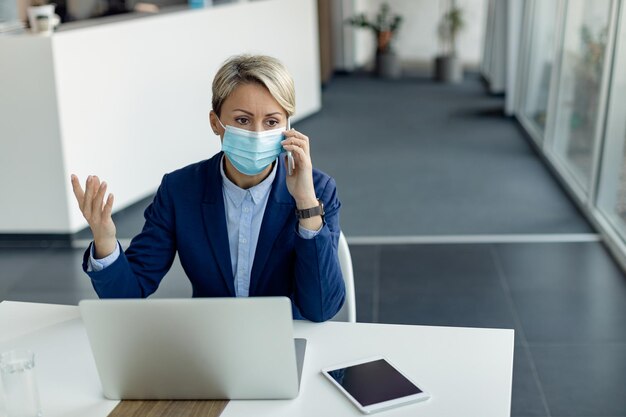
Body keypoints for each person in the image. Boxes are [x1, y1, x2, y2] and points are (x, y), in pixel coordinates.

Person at [70, 55, 345, 322]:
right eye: (242, 120)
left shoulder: (318, 190)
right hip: (210, 343)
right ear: (216, 123)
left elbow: (320, 309)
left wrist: (306, 204)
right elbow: (127, 297)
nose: (257, 133)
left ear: (288, 126)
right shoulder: (180, 190)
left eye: (272, 122)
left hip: (288, 338)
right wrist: (105, 241)